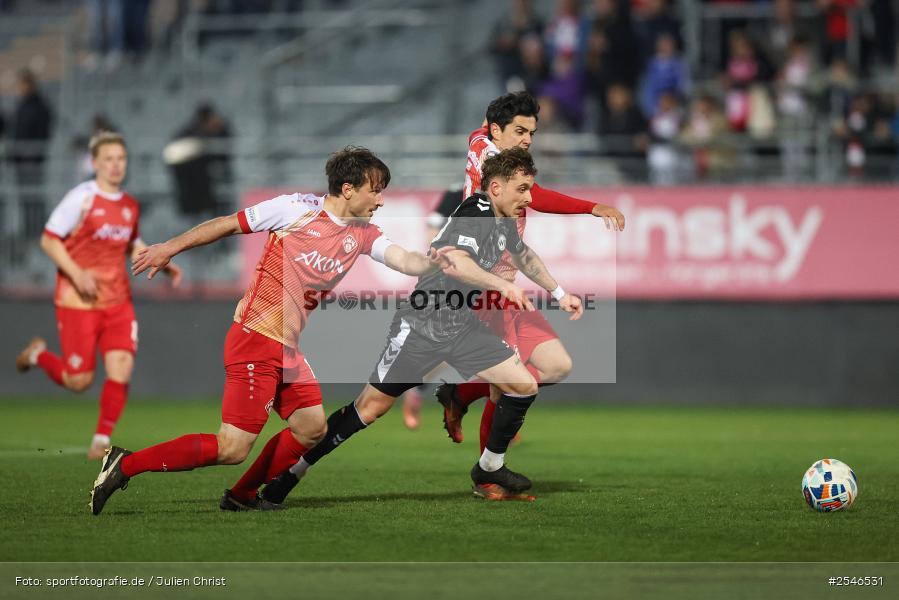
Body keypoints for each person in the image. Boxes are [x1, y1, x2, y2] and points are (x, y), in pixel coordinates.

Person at [88, 147, 447, 515]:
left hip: (287, 347)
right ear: (348, 189)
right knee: (232, 448)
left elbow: (402, 258)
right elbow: (228, 224)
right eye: (375, 190)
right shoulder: (296, 209)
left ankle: (242, 496)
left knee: (311, 428)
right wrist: (170, 248)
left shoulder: (363, 233)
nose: (380, 200)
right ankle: (124, 464)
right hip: (255, 338)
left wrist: (430, 262)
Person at [255, 148, 583, 504]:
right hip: (422, 328)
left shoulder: (502, 222)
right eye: (522, 189)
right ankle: (288, 476)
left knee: (522, 386)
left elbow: (524, 256)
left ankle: (488, 468)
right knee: (369, 409)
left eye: (530, 189)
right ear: (496, 188)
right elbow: (456, 262)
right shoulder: (476, 212)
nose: (529, 198)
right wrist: (503, 285)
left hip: (462, 327)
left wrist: (560, 291)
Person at [436, 91, 624, 462]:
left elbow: (482, 131)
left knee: (556, 366)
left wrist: (557, 291)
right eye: (520, 131)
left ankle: (460, 394)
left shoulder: (480, 140)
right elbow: (536, 196)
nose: (527, 140)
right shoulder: (497, 163)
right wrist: (592, 207)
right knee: (504, 390)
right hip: (482, 285)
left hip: (507, 277)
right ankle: (488, 473)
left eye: (531, 133)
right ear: (497, 130)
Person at [15, 132, 182, 460]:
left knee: (121, 367)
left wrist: (161, 262)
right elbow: (49, 240)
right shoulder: (81, 198)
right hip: (78, 300)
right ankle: (38, 355)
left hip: (118, 301)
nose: (116, 165)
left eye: (121, 158)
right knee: (79, 381)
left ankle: (100, 440)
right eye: (108, 159)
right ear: (94, 163)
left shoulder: (130, 205)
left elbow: (131, 244)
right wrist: (76, 274)